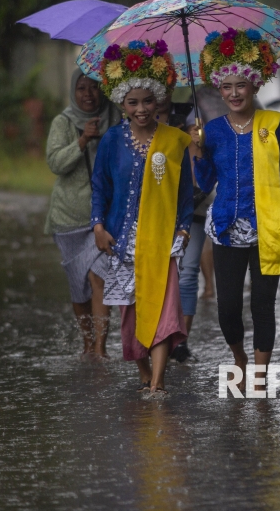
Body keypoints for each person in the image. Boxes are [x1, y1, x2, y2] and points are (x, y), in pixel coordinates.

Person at [192, 28, 280, 390]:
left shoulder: (274, 124)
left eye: (240, 85)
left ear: (255, 85)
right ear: (219, 90)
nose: (233, 93)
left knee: (262, 304)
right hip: (227, 227)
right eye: (226, 87)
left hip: (268, 225)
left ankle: (258, 377)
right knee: (227, 307)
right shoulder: (212, 131)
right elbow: (205, 182)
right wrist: (198, 153)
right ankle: (239, 358)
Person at [90, 39, 193, 399]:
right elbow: (100, 186)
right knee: (131, 314)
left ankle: (159, 381)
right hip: (121, 241)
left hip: (162, 239)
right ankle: (146, 373)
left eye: (148, 101)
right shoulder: (111, 141)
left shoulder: (175, 141)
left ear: (159, 98)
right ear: (122, 103)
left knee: (163, 309)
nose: (141, 109)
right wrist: (98, 225)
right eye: (133, 102)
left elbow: (185, 192)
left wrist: (183, 229)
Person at [45, 68, 121, 359]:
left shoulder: (115, 116)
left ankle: (100, 347)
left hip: (104, 216)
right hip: (70, 218)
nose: (88, 94)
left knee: (98, 275)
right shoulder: (63, 122)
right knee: (78, 285)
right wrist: (82, 141)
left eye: (94, 87)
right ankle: (87, 342)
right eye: (81, 88)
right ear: (73, 92)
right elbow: (55, 163)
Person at [170, 89, 227, 363]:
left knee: (188, 272)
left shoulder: (193, 113)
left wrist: (198, 145)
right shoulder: (145, 119)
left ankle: (180, 342)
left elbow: (203, 177)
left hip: (194, 208)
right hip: (158, 213)